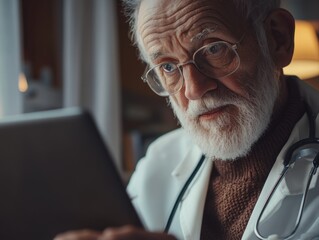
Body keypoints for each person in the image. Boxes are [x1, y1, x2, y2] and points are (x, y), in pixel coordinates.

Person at [55, 0, 319, 239]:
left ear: (277, 38)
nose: (193, 89)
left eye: (214, 49)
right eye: (168, 67)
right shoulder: (158, 162)